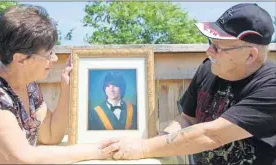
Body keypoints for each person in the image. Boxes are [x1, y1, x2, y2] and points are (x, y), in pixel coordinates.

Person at [101, 3, 276, 165]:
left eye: (218, 47)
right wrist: (162, 140)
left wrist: (144, 148)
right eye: (210, 43)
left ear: (250, 56)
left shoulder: (271, 87)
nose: (208, 52)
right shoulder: (209, 68)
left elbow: (212, 135)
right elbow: (187, 118)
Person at [0, 4, 112, 164]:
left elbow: (51, 134)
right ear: (20, 59)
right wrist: (96, 151)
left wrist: (67, 90)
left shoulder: (28, 85)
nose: (55, 59)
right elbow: (20, 159)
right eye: (49, 53)